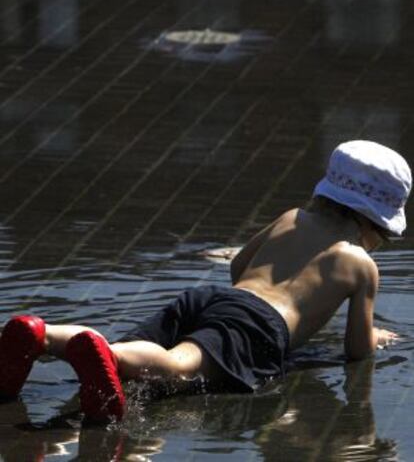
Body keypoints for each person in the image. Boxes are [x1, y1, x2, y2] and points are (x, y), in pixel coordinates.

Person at [0, 140, 411, 423]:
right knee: (182, 364)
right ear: (374, 222)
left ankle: (43, 335)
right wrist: (374, 336)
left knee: (131, 345)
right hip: (257, 326)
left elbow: (238, 268)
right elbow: (357, 351)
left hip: (211, 298)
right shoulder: (360, 263)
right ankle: (113, 360)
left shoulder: (292, 217)